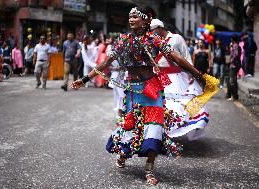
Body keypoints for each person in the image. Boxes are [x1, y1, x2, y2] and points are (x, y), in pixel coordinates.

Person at [71, 7, 207, 185]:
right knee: (130, 127)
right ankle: (123, 154)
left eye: (135, 16)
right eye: (129, 16)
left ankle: (149, 169)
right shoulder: (123, 41)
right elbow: (106, 62)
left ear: (145, 20)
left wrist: (199, 75)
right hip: (134, 91)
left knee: (155, 127)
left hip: (153, 89)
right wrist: (85, 79)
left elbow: (178, 58)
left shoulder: (154, 39)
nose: (131, 19)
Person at [150, 18, 209, 141]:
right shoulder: (153, 41)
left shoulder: (176, 38)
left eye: (153, 29)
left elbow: (186, 56)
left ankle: (175, 130)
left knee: (179, 105)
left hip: (177, 77)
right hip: (160, 77)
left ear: (160, 28)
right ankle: (162, 135)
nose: (151, 32)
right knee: (161, 106)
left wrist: (192, 73)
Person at [226, 35, 241, 101]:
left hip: (234, 65)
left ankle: (234, 96)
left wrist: (231, 60)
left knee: (232, 80)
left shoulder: (235, 45)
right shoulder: (234, 45)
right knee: (232, 80)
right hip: (233, 65)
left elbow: (236, 54)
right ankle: (233, 95)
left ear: (232, 39)